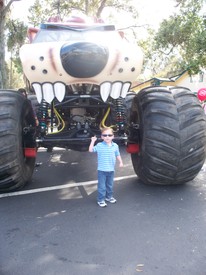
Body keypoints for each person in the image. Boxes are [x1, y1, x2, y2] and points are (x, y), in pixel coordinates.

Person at [89, 127, 124, 207]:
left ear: (113, 136)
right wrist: (92, 141)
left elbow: (117, 154)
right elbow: (91, 150)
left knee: (110, 185)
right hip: (102, 170)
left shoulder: (115, 146)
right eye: (105, 135)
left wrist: (121, 162)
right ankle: (100, 200)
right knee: (102, 187)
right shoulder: (99, 145)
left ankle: (109, 197)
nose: (107, 137)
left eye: (109, 135)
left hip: (111, 170)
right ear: (101, 137)